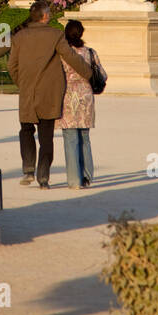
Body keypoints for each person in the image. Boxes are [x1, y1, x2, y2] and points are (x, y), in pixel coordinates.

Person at [8, 0, 92, 189]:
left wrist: (21, 83)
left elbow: (12, 65)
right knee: (46, 137)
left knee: (26, 130)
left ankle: (28, 168)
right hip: (50, 93)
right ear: (45, 16)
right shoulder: (55, 35)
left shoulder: (19, 36)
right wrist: (88, 73)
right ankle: (43, 177)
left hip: (27, 92)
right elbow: (70, 57)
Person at [56, 20, 99, 189]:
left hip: (67, 95)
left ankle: (74, 180)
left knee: (70, 138)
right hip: (86, 95)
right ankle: (87, 176)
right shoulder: (90, 52)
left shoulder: (62, 54)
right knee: (85, 138)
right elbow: (101, 73)